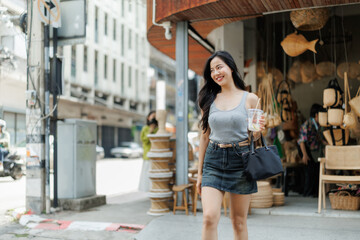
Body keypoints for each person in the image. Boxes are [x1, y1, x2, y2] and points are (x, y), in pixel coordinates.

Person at [197, 51, 265, 240]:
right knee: (209, 218)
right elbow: (204, 138)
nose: (216, 72)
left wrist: (259, 129)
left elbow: (256, 136)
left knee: (238, 221)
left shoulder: (250, 98)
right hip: (213, 160)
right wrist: (200, 173)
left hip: (241, 160)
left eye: (219, 67)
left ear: (231, 67)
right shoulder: (208, 100)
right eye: (212, 70)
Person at [297, 103, 325, 197]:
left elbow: (319, 138)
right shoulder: (306, 124)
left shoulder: (318, 125)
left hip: (311, 149)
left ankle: (315, 192)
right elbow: (301, 141)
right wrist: (304, 155)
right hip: (304, 148)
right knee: (309, 170)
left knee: (315, 169)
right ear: (316, 115)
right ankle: (307, 193)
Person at [138, 111, 158, 192]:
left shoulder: (158, 129)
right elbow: (144, 140)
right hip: (147, 155)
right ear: (148, 117)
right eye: (152, 116)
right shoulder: (145, 128)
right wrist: (150, 130)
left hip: (156, 154)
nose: (153, 119)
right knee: (146, 174)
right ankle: (146, 190)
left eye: (155, 117)